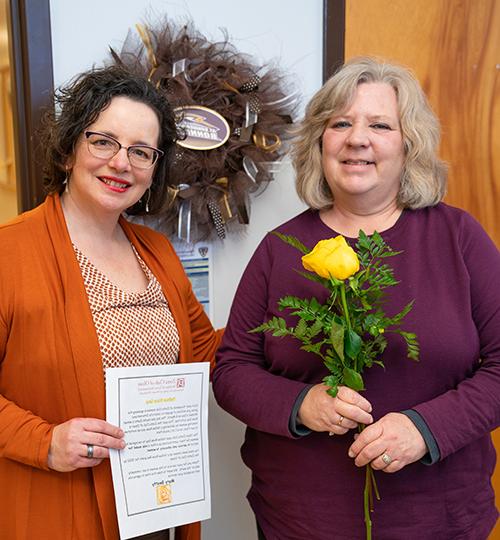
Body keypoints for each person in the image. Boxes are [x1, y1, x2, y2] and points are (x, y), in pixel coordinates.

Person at [212, 57, 500, 539]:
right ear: (320, 143)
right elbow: (232, 371)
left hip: (438, 521)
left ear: (409, 145)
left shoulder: (459, 238)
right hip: (300, 521)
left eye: (380, 125)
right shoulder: (279, 250)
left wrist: (425, 428)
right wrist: (301, 403)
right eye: (340, 123)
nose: (357, 139)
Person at [0, 65, 221, 540]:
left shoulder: (157, 252)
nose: (121, 163)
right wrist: (45, 441)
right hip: (55, 513)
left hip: (154, 510)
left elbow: (206, 353)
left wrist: (281, 310)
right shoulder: (8, 254)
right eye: (103, 142)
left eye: (141, 152)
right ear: (68, 151)